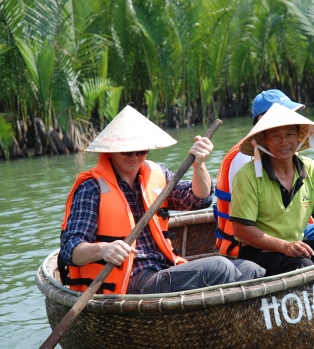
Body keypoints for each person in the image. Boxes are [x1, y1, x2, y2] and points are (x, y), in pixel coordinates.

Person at [59, 106, 264, 295]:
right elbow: (71, 249)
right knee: (220, 267)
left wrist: (199, 165)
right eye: (127, 151)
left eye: (142, 151)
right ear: (110, 151)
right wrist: (104, 249)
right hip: (130, 280)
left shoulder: (156, 174)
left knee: (252, 268)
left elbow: (197, 199)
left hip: (165, 267)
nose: (135, 157)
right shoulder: (92, 189)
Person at [214, 90, 314, 257]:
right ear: (264, 135)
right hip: (260, 245)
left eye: (290, 133)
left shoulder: (308, 166)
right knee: (303, 262)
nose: (284, 141)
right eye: (276, 135)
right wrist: (285, 246)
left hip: (292, 232)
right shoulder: (247, 166)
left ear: (298, 135)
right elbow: (243, 228)